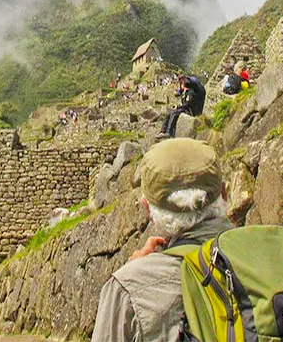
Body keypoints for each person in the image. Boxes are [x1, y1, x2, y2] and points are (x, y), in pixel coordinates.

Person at [91, 138, 232, 341]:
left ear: (147, 208)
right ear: (225, 193)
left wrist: (135, 276)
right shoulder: (278, 260)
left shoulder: (127, 289)